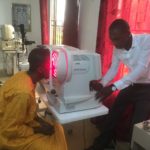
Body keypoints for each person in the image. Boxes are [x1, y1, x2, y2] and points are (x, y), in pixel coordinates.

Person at [86, 19, 150, 150]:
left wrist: (114, 87)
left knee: (136, 126)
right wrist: (102, 84)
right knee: (113, 114)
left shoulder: (146, 41)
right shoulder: (118, 48)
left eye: (117, 39)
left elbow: (141, 69)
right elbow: (113, 69)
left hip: (147, 88)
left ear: (128, 33)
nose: (114, 43)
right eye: (112, 39)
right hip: (132, 84)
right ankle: (100, 145)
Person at [0, 46, 67, 150]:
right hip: (8, 136)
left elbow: (26, 110)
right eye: (50, 66)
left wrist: (39, 122)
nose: (53, 69)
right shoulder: (23, 93)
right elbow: (9, 129)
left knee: (57, 127)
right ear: (40, 70)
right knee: (57, 147)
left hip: (21, 121)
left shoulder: (24, 76)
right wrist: (37, 130)